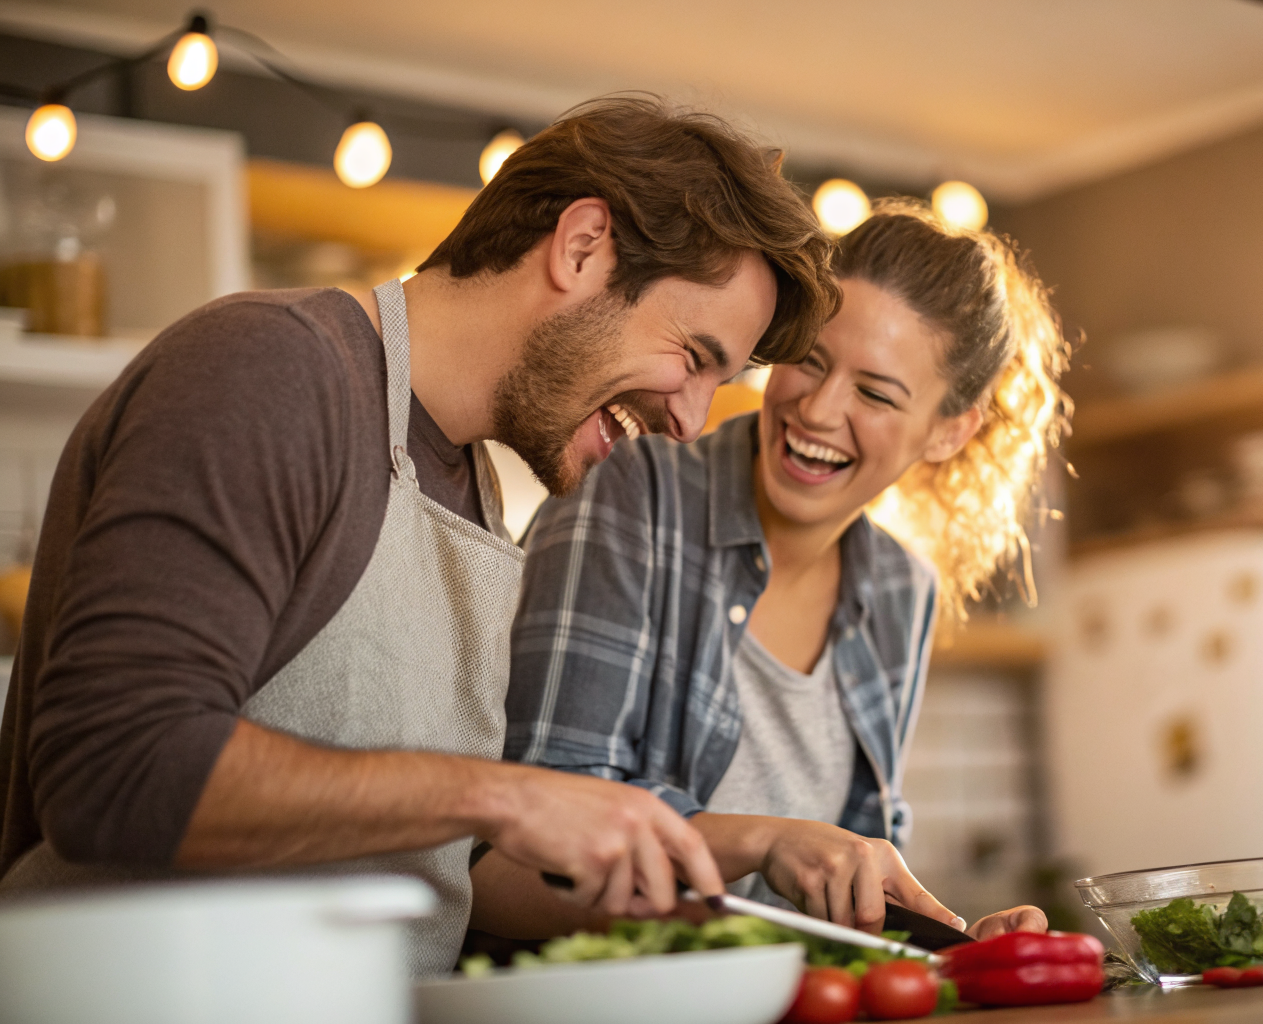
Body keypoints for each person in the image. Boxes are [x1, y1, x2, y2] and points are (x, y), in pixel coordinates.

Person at [0, 96, 841, 975]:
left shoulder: (474, 489)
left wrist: (729, 853)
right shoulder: (273, 368)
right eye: (697, 356)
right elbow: (114, 764)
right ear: (583, 246)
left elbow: (438, 871)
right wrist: (507, 794)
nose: (692, 423)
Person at [480, 200, 1070, 941]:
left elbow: (845, 895)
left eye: (876, 393)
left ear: (949, 430)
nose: (819, 410)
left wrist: (950, 944)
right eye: (809, 361)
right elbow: (514, 859)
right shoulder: (633, 493)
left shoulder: (899, 593)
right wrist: (762, 839)